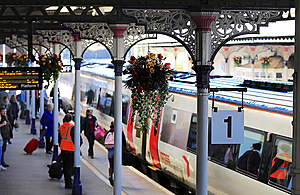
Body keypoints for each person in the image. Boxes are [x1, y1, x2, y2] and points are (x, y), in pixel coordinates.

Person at [58, 113, 82, 189]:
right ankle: (70, 182)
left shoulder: (61, 127)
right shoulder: (72, 127)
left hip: (63, 149)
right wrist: (78, 146)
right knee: (71, 167)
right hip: (71, 150)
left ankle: (67, 181)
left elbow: (60, 138)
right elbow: (78, 139)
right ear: (71, 119)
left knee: (65, 166)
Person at [104, 121, 127, 186]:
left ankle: (110, 175)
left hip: (110, 151)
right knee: (117, 166)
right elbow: (124, 142)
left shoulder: (108, 132)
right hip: (118, 151)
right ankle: (116, 179)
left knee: (111, 165)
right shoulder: (120, 132)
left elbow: (105, 140)